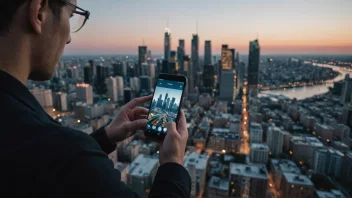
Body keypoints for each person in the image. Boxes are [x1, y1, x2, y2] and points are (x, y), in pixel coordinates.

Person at [0, 0, 191, 197]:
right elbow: (61, 160)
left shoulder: (22, 130)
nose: (68, 39)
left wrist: (104, 137)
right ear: (39, 12)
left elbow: (48, 163)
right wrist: (173, 164)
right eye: (71, 16)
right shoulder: (62, 151)